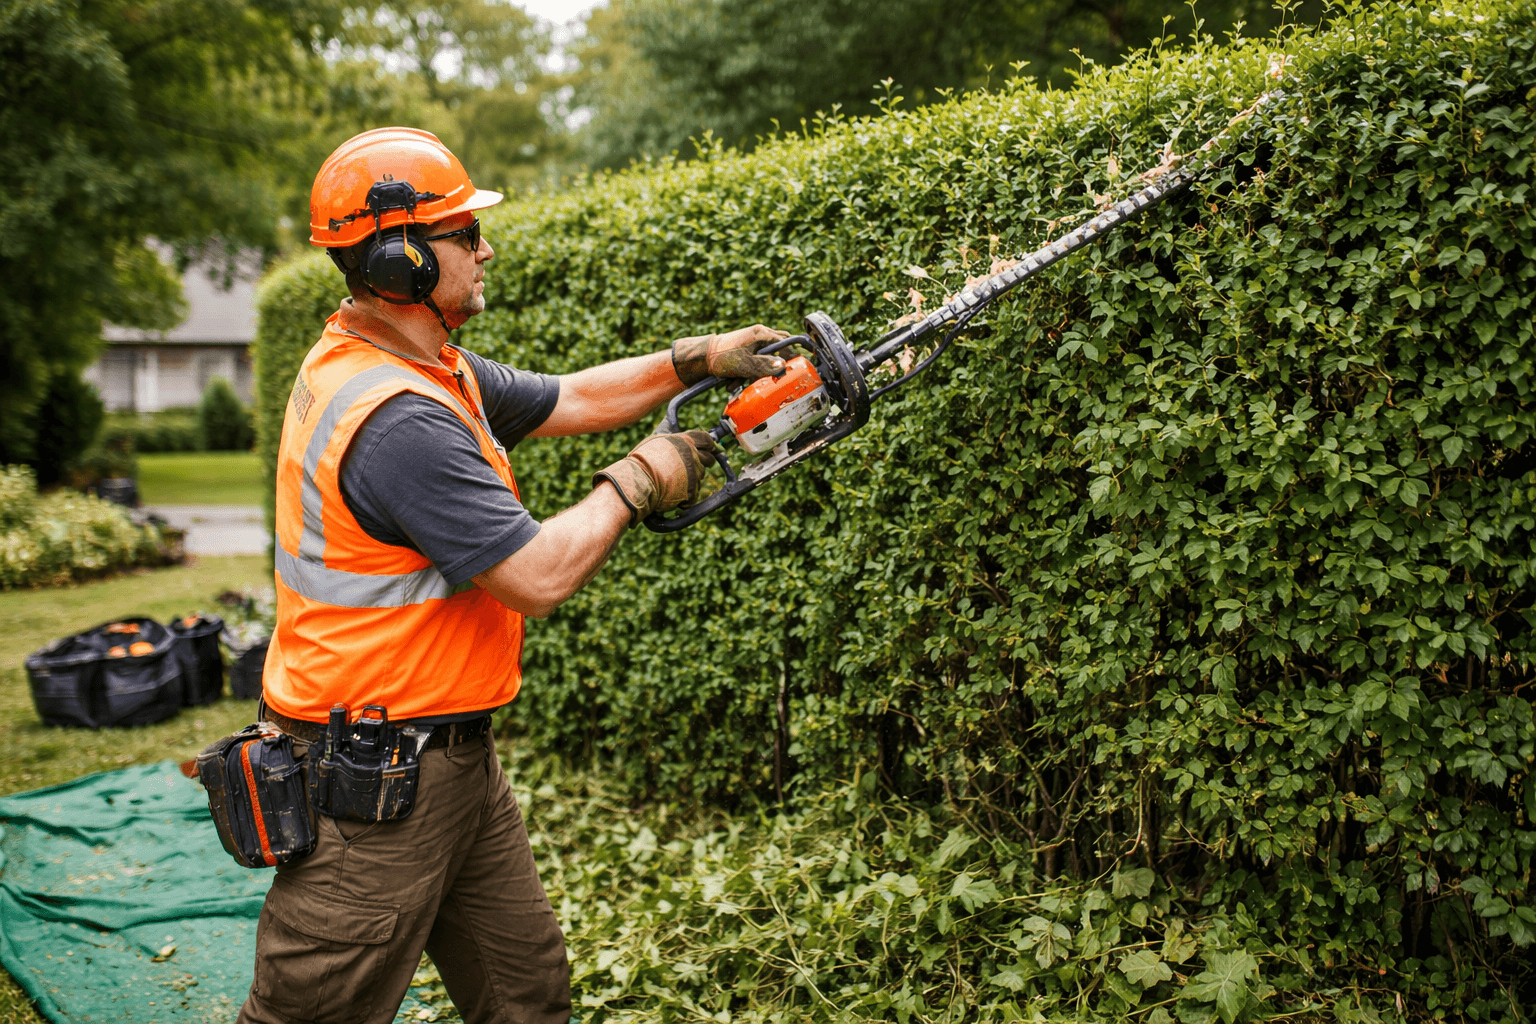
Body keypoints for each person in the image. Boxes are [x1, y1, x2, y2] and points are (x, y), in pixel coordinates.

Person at [239, 126, 788, 1024]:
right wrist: (640, 479)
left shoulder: (416, 361)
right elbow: (534, 575)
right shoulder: (399, 420)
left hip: (452, 763)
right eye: (464, 233)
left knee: (526, 994)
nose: (486, 246)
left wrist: (700, 356)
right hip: (367, 786)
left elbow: (570, 396)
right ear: (402, 259)